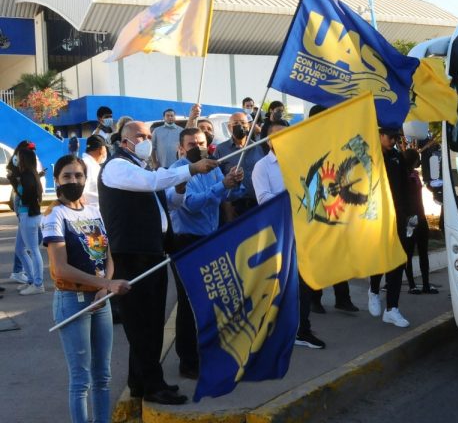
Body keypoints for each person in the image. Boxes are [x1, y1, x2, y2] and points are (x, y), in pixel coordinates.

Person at [98, 121, 219, 405]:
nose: (146, 140)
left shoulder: (142, 168)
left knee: (151, 322)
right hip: (132, 255)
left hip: (152, 252)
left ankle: (139, 381)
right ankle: (154, 385)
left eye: (148, 136)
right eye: (140, 136)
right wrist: (190, 168)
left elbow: (170, 201)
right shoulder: (118, 166)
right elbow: (152, 183)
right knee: (143, 325)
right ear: (123, 140)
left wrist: (180, 182)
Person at [42, 154, 139, 423]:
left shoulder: (95, 212)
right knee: (81, 381)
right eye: (66, 176)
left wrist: (105, 286)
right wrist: (105, 284)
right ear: (57, 181)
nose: (73, 181)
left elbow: (106, 256)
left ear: (86, 178)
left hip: (100, 300)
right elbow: (60, 268)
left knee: (103, 377)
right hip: (73, 302)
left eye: (78, 175)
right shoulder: (54, 216)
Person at [166, 128, 244, 379]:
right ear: (180, 148)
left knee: (211, 300)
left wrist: (235, 183)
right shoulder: (176, 172)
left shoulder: (212, 168)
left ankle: (209, 352)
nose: (197, 147)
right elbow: (191, 204)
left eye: (201, 142)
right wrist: (222, 185)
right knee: (189, 303)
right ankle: (188, 361)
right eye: (191, 143)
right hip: (186, 241)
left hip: (211, 237)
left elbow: (226, 196)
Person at [252, 124, 326, 349]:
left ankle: (302, 329)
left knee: (303, 284)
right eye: (278, 136)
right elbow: (264, 199)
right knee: (278, 286)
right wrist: (293, 194)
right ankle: (274, 331)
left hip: (303, 232)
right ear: (267, 141)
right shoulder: (262, 167)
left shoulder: (301, 162)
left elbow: (314, 195)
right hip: (278, 235)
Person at [303, 105, 359, 314]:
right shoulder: (306, 140)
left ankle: (342, 298)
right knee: (318, 256)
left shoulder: (334, 139)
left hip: (335, 201)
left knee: (339, 252)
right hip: (315, 204)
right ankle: (314, 299)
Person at [368, 127, 412, 328]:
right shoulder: (369, 154)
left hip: (398, 217)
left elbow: (406, 187)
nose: (393, 140)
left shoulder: (397, 157)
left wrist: (410, 214)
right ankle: (374, 290)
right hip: (376, 218)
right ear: (379, 135)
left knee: (397, 261)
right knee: (380, 258)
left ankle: (391, 308)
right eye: (390, 136)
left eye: (396, 137)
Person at [212, 112, 265, 220]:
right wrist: (227, 207)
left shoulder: (258, 147)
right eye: (235, 123)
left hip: (257, 202)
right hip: (233, 205)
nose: (240, 125)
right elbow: (216, 178)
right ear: (229, 127)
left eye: (243, 122)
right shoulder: (221, 149)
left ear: (249, 125)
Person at [402, 148, 438, 295]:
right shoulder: (403, 176)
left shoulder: (415, 175)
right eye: (418, 159)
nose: (419, 162)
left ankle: (425, 284)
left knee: (423, 251)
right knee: (409, 253)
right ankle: (412, 285)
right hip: (410, 218)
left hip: (420, 216)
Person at [16, 145, 45, 295]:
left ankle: (38, 283)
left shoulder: (28, 175)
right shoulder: (30, 174)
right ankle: (32, 280)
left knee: (33, 250)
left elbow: (28, 196)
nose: (17, 160)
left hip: (28, 215)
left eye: (19, 157)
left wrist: (19, 195)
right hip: (27, 215)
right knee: (20, 249)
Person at [7, 140, 30, 285]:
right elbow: (16, 178)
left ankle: (19, 270)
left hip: (24, 202)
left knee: (26, 240)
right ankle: (18, 270)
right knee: (26, 241)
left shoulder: (18, 158)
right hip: (23, 202)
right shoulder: (17, 159)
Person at [82, 135, 108, 210]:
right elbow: (81, 195)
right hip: (90, 213)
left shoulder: (92, 165)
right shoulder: (86, 164)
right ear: (102, 149)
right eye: (106, 148)